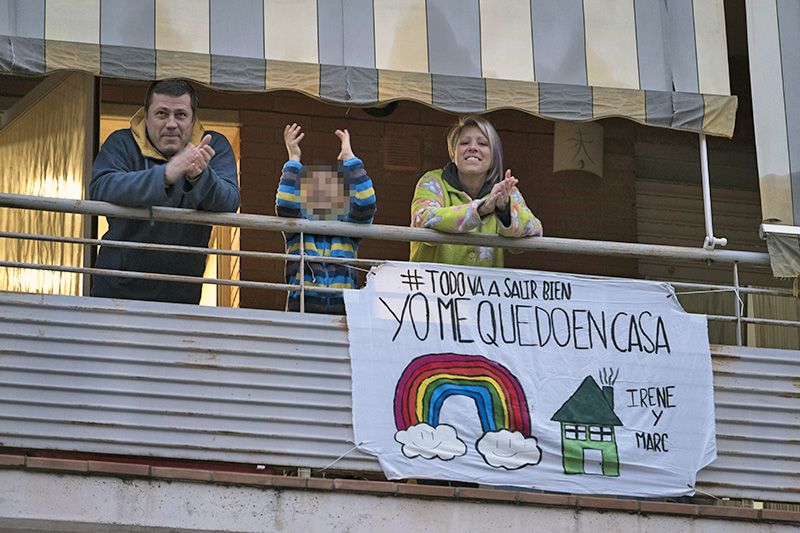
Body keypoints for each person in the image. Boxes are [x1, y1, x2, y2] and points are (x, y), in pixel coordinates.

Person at [89, 79, 240, 304]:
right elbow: (101, 186)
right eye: (162, 114)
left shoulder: (212, 146)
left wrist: (200, 177)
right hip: (115, 292)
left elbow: (230, 200)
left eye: (180, 115)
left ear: (193, 119)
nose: (171, 123)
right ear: (146, 116)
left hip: (182, 296)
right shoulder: (122, 142)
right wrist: (165, 175)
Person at [410, 115, 542, 266]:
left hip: (484, 289)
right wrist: (480, 210)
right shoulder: (433, 181)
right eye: (465, 142)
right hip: (432, 288)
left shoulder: (505, 191)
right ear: (453, 153)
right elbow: (422, 219)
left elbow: (535, 230)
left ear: (494, 156)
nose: (473, 147)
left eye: (483, 143)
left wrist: (504, 211)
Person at [276, 123, 376, 314]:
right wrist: (294, 159)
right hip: (302, 311)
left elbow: (366, 203)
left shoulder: (349, 228)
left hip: (345, 313)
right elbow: (285, 204)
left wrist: (350, 158)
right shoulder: (299, 228)